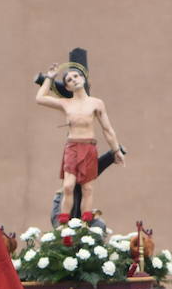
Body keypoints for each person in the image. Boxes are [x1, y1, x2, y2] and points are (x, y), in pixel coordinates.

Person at [35, 62, 124, 224]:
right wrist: (49, 78)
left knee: (87, 188)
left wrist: (116, 150)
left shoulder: (96, 103)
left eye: (76, 76)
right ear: (67, 87)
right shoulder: (66, 103)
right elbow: (40, 98)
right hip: (73, 147)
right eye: (69, 79)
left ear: (83, 78)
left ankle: (85, 226)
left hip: (89, 146)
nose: (74, 80)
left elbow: (107, 129)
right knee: (68, 186)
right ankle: (63, 227)